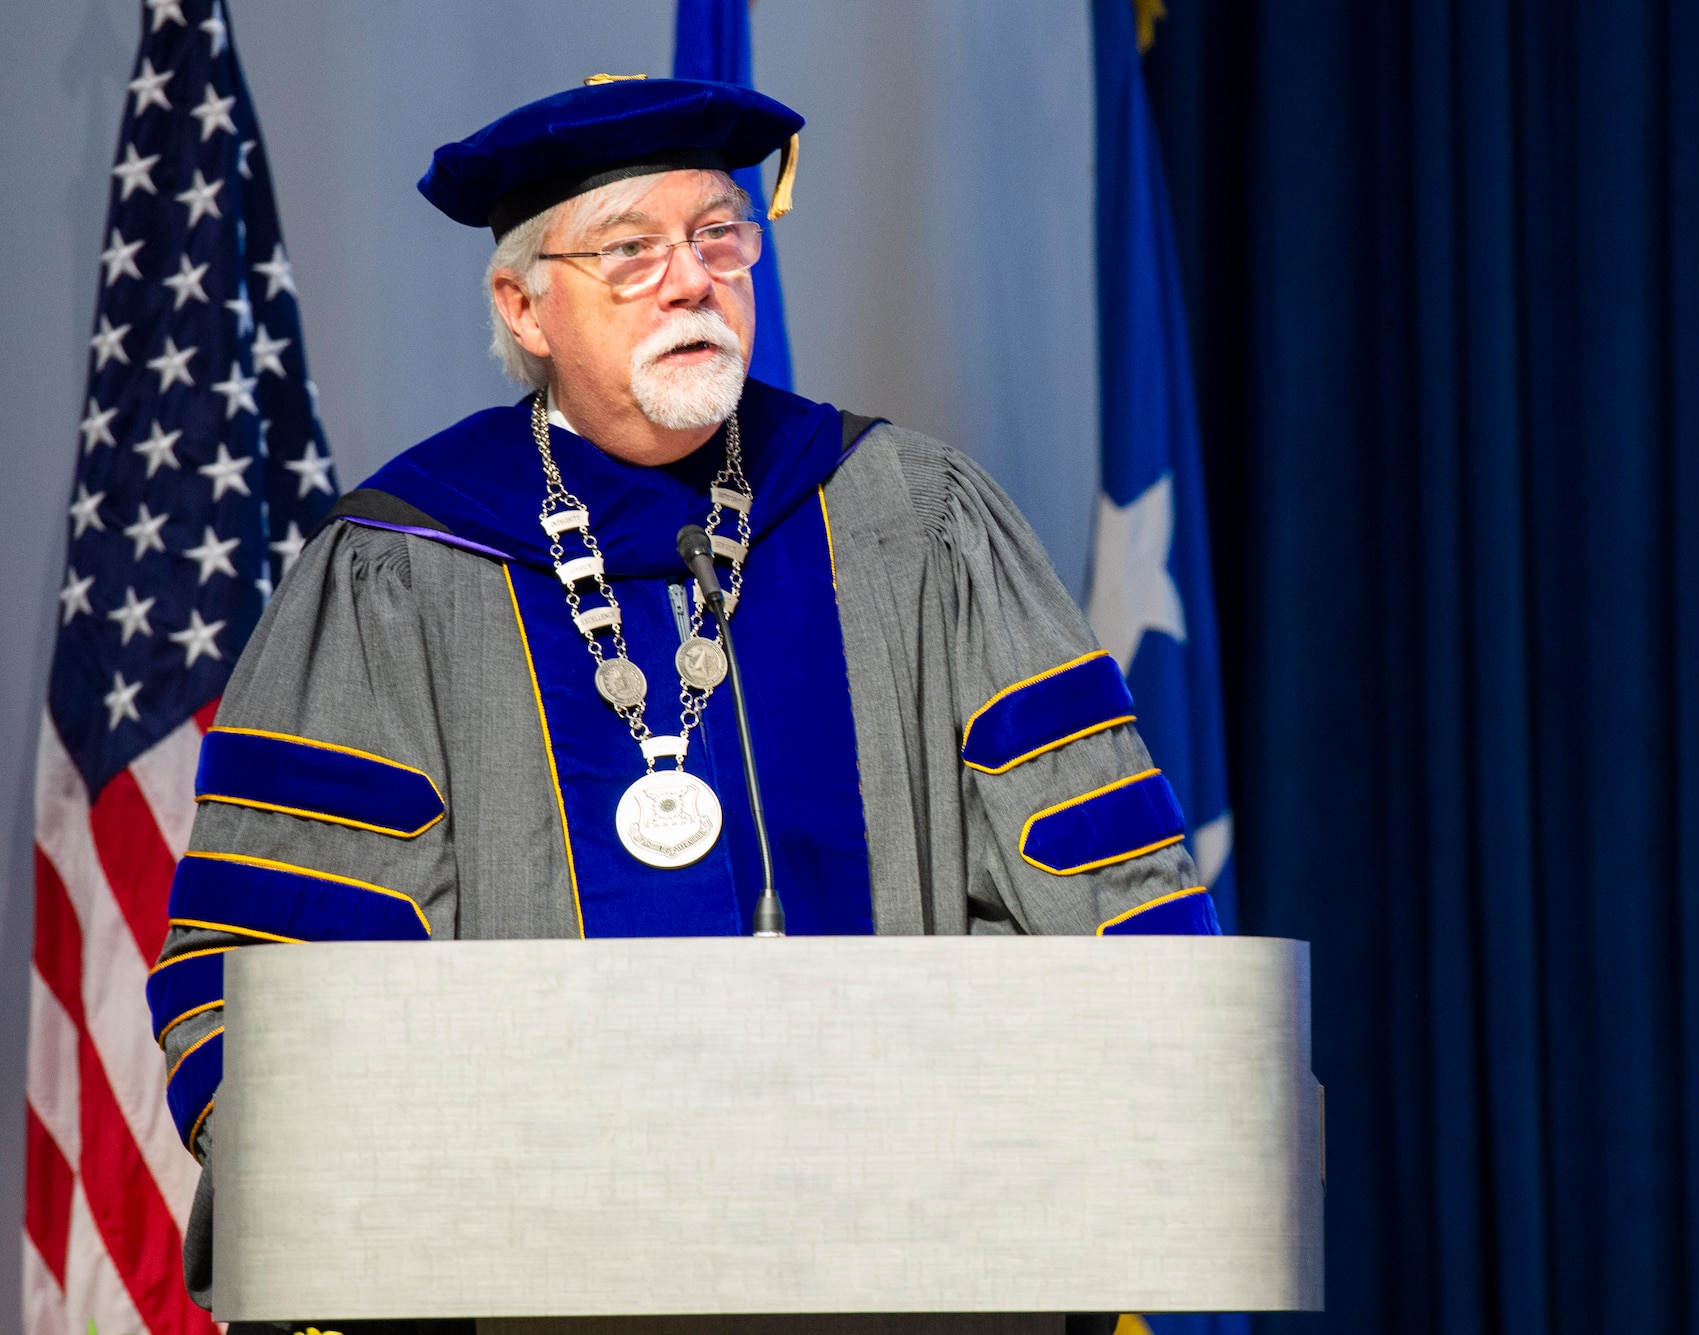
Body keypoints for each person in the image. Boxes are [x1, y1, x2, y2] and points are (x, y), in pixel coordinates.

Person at [152, 76, 1220, 1310]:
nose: (692, 277)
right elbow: (282, 975)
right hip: (528, 1282)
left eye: (721, 234)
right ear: (524, 305)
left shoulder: (913, 522)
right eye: (629, 250)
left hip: (903, 1269)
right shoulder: (402, 568)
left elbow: (1107, 898)